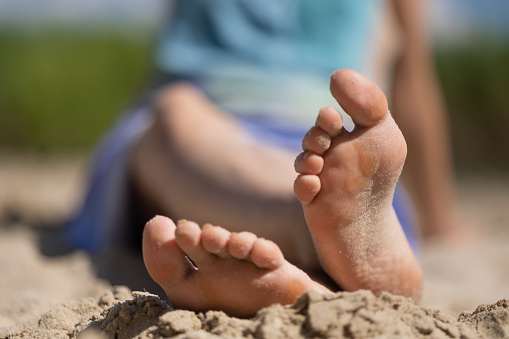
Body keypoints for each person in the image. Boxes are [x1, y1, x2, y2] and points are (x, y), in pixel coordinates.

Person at [63, 0, 464, 316]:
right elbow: (412, 69)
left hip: (323, 138)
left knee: (315, 172)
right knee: (181, 120)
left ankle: (328, 232)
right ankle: (318, 238)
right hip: (218, 112)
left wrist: (441, 219)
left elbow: (413, 71)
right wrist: (440, 220)